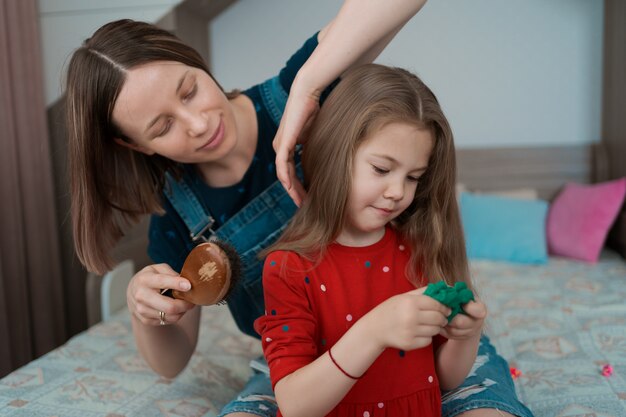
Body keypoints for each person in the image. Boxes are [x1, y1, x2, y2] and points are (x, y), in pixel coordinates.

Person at [64, 3, 533, 417]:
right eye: (163, 125)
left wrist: (307, 89)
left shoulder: (294, 93)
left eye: (189, 91)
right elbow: (172, 362)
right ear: (133, 143)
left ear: (198, 64)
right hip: (301, 365)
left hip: (417, 351)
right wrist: (146, 312)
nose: (199, 122)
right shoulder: (180, 210)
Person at [255, 64, 484, 417]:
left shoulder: (420, 249)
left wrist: (466, 336)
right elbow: (295, 404)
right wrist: (374, 331)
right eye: (381, 169)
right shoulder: (289, 267)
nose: (397, 192)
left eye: (413, 177)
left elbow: (444, 378)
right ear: (333, 154)